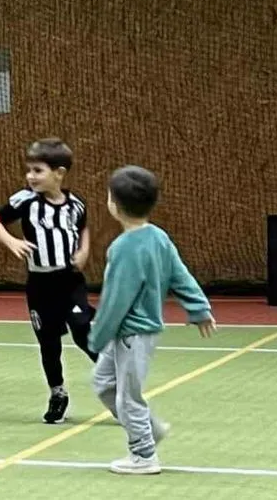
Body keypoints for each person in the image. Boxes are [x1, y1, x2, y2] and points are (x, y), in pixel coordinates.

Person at [87, 165, 216, 475]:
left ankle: (143, 455)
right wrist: (198, 308)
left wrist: (97, 334)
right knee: (103, 383)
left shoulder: (125, 248)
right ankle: (149, 430)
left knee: (127, 396)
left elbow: (117, 298)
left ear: (114, 205)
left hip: (133, 334)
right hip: (129, 335)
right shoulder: (158, 236)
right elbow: (180, 275)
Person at [0, 138, 98, 424]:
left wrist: (84, 251)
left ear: (59, 173)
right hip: (40, 285)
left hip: (70, 280)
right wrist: (11, 241)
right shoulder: (25, 201)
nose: (30, 177)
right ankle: (57, 392)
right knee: (49, 342)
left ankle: (114, 379)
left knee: (82, 330)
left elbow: (83, 227)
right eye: (29, 171)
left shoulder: (75, 204)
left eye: (38, 171)